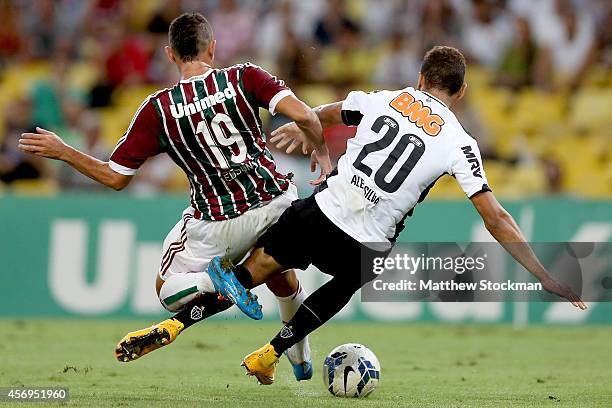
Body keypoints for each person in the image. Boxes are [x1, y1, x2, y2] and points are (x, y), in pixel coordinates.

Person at [202, 46, 587, 385]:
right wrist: (545, 275)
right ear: (462, 91)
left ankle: (191, 307)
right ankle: (270, 352)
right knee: (349, 280)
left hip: (325, 208)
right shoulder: (460, 142)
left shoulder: (386, 98)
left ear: (420, 78)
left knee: (267, 251)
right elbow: (496, 218)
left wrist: (307, 126)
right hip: (367, 239)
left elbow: (329, 112)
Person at [18, 12, 332, 381]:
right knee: (280, 273)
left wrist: (63, 150)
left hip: (220, 223)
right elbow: (308, 117)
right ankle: (299, 359)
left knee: (167, 290)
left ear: (169, 55)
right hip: (277, 201)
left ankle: (212, 281)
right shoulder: (245, 75)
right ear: (213, 48)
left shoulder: (158, 109)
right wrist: (321, 154)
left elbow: (116, 177)